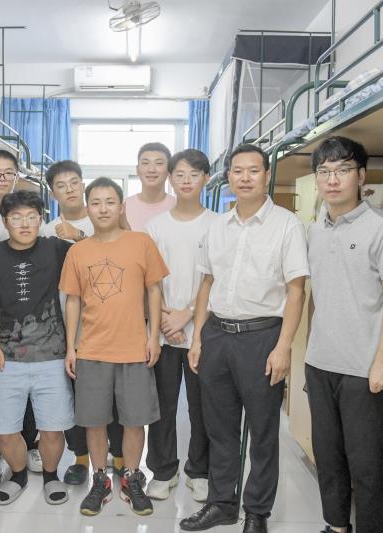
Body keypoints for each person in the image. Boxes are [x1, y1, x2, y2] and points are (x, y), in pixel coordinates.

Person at [179, 144, 309, 533]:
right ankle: (222, 503)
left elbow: (297, 291)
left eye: (253, 170)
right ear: (228, 178)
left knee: (264, 432)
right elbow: (206, 283)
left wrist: (283, 347)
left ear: (267, 175)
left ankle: (257, 512)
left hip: (262, 337)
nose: (245, 178)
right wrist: (197, 339)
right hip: (217, 335)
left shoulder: (287, 225)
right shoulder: (217, 226)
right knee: (219, 428)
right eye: (238, 171)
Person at [305, 137, 383, 533]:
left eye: (343, 170)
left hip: (363, 368)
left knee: (367, 464)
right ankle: (336, 526)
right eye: (324, 172)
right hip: (320, 363)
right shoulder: (315, 229)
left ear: (361, 176)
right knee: (328, 457)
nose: (333, 180)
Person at [60, 178, 169, 517]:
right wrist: (71, 347)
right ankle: (99, 480)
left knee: (135, 421)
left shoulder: (141, 242)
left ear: (121, 206)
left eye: (110, 202)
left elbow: (154, 290)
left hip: (134, 349)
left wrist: (153, 337)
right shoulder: (78, 251)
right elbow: (72, 301)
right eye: (96, 202)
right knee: (94, 421)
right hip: (91, 350)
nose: (103, 208)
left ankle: (131, 478)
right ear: (87, 208)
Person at [0, 190, 74, 506]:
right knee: (4, 430)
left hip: (52, 355)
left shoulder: (56, 249)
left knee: (53, 428)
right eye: (17, 217)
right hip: (6, 358)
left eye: (32, 217)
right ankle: (18, 476)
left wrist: (77, 234)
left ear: (40, 219)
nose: (25, 223)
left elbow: (97, 249)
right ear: (5, 221)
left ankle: (51, 476)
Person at [144, 149, 217, 503]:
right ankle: (162, 471)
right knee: (162, 406)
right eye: (180, 174)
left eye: (194, 174)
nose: (187, 181)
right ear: (170, 179)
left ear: (206, 179)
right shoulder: (155, 227)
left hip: (203, 331)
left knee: (203, 408)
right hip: (164, 331)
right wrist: (164, 322)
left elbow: (217, 279)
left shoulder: (218, 224)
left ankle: (199, 471)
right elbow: (151, 282)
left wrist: (187, 314)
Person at [0, 149, 42, 473]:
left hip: (21, 319)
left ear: (16, 177)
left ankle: (31, 444)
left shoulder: (27, 216)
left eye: (8, 173)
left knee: (28, 385)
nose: (2, 178)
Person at [40, 160, 94, 486]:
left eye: (74, 182)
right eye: (61, 185)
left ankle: (115, 458)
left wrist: (79, 236)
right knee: (71, 390)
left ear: (83, 184)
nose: (70, 189)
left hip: (103, 323)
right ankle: (81, 457)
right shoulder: (46, 231)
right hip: (64, 324)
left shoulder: (101, 220)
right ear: (52, 193)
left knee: (106, 392)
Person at [122, 142, 176, 231]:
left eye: (159, 163)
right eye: (145, 163)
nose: (151, 169)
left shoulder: (177, 206)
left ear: (169, 170)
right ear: (137, 170)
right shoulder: (123, 208)